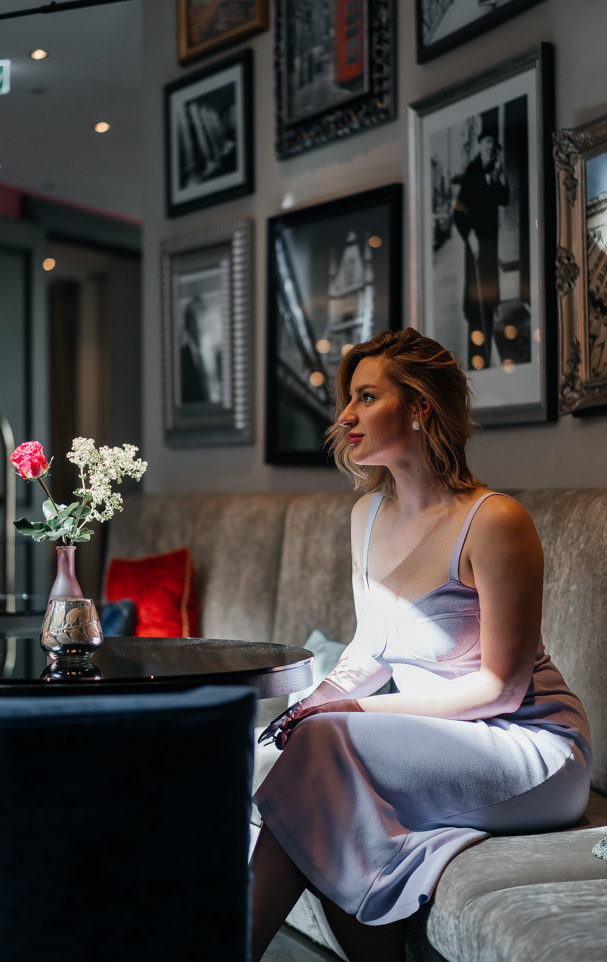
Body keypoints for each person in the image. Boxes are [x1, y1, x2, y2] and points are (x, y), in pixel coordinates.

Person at [250, 328, 591, 962]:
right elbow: (369, 651)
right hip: (447, 739)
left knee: (324, 749)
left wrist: (344, 714)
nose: (345, 415)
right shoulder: (366, 517)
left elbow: (501, 687)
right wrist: (309, 705)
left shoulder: (494, 520)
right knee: (297, 753)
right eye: (347, 399)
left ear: (420, 406)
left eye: (367, 396)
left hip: (532, 746)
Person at [453, 130, 509, 369]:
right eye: (486, 144)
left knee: (489, 288)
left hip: (490, 242)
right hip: (476, 241)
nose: (490, 148)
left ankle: (489, 320)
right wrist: (469, 236)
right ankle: (478, 355)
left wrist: (500, 175)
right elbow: (458, 212)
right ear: (480, 146)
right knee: (476, 294)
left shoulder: (495, 170)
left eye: (493, 145)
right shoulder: (471, 173)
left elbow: (503, 199)